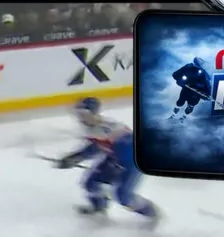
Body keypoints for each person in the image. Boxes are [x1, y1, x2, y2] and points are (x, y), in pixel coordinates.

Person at [55, 97, 160, 227]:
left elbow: (129, 148)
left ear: (94, 113)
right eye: (78, 113)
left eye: (84, 113)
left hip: (132, 162)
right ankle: (99, 207)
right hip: (115, 159)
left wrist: (118, 166)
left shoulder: (112, 129)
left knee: (123, 196)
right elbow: (95, 147)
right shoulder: (91, 128)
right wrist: (74, 158)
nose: (81, 118)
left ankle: (150, 211)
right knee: (90, 184)